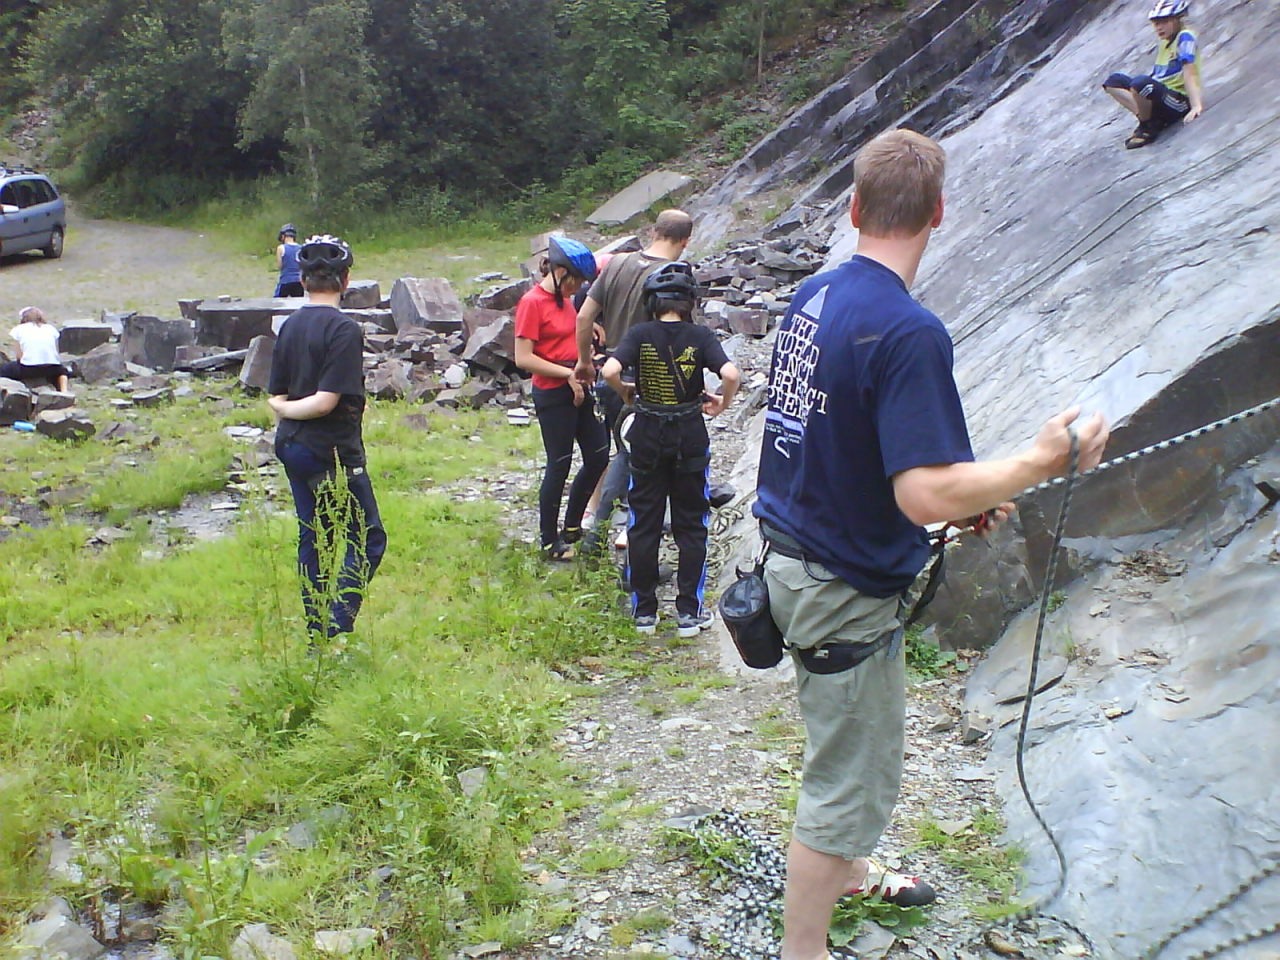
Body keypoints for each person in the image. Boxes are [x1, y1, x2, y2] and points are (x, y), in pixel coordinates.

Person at [752, 128, 1110, 960]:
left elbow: (830, 440)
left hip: (790, 566)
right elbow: (921, 491)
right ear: (939, 213)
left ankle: (849, 871)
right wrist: (1038, 461)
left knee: (842, 744)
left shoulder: (814, 297)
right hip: (839, 589)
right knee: (845, 783)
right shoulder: (908, 330)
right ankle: (803, 948)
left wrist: (953, 502)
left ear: (853, 208)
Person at [601, 262, 740, 636]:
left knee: (643, 522)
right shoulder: (700, 336)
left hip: (647, 434)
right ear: (690, 301)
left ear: (652, 302)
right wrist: (722, 402)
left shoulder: (639, 334)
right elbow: (730, 374)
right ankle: (689, 613)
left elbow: (610, 371)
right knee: (691, 525)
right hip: (689, 434)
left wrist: (626, 392)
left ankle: (644, 612)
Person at [267, 234, 386, 638]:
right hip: (330, 450)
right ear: (346, 280)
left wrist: (284, 410)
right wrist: (289, 409)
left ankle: (315, 627)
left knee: (315, 535)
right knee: (368, 537)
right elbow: (324, 402)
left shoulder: (290, 326)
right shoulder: (343, 330)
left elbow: (277, 393)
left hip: (291, 445)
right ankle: (335, 626)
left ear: (302, 281)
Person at [573, 209, 695, 553]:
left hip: (610, 373)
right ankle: (623, 540)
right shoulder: (675, 276)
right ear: (685, 241)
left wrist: (584, 361)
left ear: (654, 231)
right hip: (651, 380)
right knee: (649, 462)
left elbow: (584, 316)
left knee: (625, 453)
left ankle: (604, 533)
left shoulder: (616, 263)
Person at [515, 235, 609, 560]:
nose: (578, 287)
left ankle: (572, 525)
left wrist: (588, 330)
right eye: (576, 280)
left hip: (578, 383)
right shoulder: (532, 302)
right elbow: (523, 358)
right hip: (553, 391)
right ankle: (548, 541)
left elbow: (566, 331)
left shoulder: (565, 299)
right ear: (558, 272)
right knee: (560, 463)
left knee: (598, 455)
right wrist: (565, 373)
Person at [1102, 0, 1204, 149]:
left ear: (1178, 19)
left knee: (1141, 84)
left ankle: (1147, 127)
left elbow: (1190, 72)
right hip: (1162, 96)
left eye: (1164, 22)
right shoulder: (1165, 42)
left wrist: (1196, 106)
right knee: (1113, 81)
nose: (1159, 27)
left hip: (1178, 101)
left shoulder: (1185, 37)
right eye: (1156, 23)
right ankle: (1150, 120)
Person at [2, 307, 70, 392]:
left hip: (28, 369)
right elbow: (56, 352)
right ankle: (64, 391)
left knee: (5, 369)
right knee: (62, 372)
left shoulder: (19, 329)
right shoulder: (51, 329)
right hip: (51, 367)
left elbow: (19, 356)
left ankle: (9, 391)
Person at [274, 223, 304, 297]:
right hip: (298, 281)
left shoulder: (281, 248)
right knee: (298, 302)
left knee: (278, 301)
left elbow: (280, 266)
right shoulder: (301, 248)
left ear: (283, 236)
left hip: (285, 280)